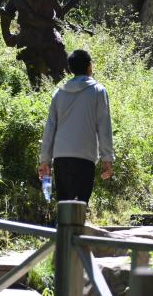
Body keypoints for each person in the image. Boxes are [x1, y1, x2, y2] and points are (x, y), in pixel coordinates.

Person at [0, 0, 85, 88]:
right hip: (47, 37)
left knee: (37, 84)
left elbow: (6, 13)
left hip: (27, 37)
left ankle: (43, 99)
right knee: (63, 77)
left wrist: (7, 36)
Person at [38, 49, 114, 202]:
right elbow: (104, 127)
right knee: (80, 205)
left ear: (71, 68)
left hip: (61, 158)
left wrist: (45, 160)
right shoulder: (98, 91)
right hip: (85, 157)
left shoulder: (59, 93)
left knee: (64, 204)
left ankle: (63, 219)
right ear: (89, 66)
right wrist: (107, 158)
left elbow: (50, 128)